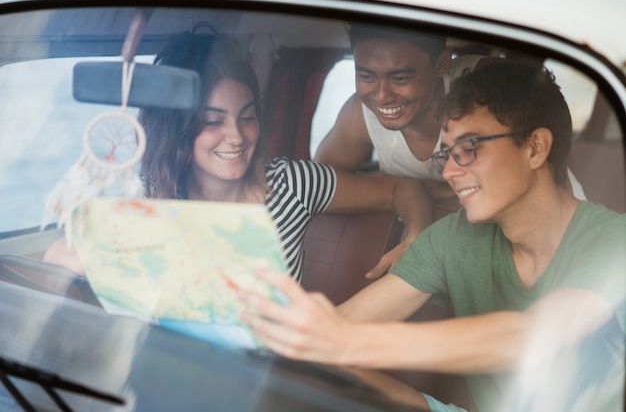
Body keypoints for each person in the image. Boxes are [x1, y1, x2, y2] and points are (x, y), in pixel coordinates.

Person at [238, 62, 625, 412]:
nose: (449, 173)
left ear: (536, 148)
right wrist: (288, 339)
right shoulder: (454, 236)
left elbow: (528, 339)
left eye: (469, 148)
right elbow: (343, 326)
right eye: (447, 154)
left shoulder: (614, 243)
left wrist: (344, 340)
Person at [44, 26, 432, 283]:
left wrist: (415, 236)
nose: (236, 136)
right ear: (177, 128)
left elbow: (403, 188)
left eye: (247, 118)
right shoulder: (150, 202)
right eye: (212, 121)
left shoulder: (291, 183)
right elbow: (56, 256)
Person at [313, 23, 586, 204]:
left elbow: (536, 165)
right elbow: (318, 185)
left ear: (442, 63)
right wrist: (406, 195)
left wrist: (428, 192)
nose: (382, 95)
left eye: (400, 78)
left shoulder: (486, 83)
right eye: (367, 76)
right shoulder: (360, 114)